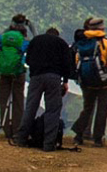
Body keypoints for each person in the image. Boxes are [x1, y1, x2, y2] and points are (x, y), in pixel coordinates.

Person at [18, 24, 72, 152]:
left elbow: (28, 60)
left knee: (31, 107)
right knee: (52, 110)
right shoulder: (62, 44)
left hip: (36, 77)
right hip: (54, 78)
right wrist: (65, 81)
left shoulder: (36, 41)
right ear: (57, 35)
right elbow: (67, 65)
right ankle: (48, 144)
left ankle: (21, 139)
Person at [70, 17, 107, 147]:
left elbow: (76, 61)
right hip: (105, 83)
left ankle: (79, 135)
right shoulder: (104, 42)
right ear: (100, 29)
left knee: (87, 108)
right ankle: (98, 139)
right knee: (102, 109)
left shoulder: (81, 42)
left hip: (87, 82)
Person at [0, 14, 31, 137]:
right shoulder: (23, 40)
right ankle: (17, 128)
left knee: (4, 99)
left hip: (3, 72)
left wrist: (7, 30)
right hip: (18, 72)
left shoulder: (4, 37)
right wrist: (32, 27)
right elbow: (34, 44)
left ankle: (5, 128)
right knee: (18, 100)